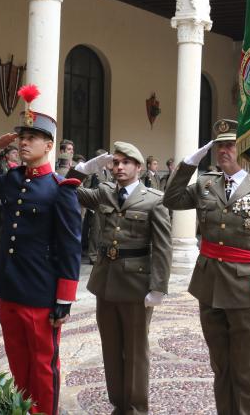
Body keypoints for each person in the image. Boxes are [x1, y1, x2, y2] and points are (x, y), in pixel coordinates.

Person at [0, 87, 82, 415]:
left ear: (49, 144)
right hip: (9, 287)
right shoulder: (13, 179)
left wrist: (64, 300)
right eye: (21, 136)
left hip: (41, 293)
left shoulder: (61, 190)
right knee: (17, 360)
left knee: (43, 365)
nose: (23, 142)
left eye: (32, 137)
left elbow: (71, 248)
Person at [163, 119, 250, 415]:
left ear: (243, 148)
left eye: (230, 145)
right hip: (209, 287)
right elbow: (171, 199)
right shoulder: (206, 183)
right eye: (219, 145)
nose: (223, 150)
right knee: (220, 367)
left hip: (247, 290)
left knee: (244, 372)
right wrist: (188, 164)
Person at [68, 142, 172, 414]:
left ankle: (137, 408)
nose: (119, 167)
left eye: (126, 162)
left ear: (139, 167)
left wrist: (159, 287)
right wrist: (84, 168)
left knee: (136, 351)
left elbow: (163, 246)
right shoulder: (104, 193)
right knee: (111, 348)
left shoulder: (154, 199)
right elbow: (65, 190)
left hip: (137, 285)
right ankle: (119, 404)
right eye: (115, 162)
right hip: (106, 281)